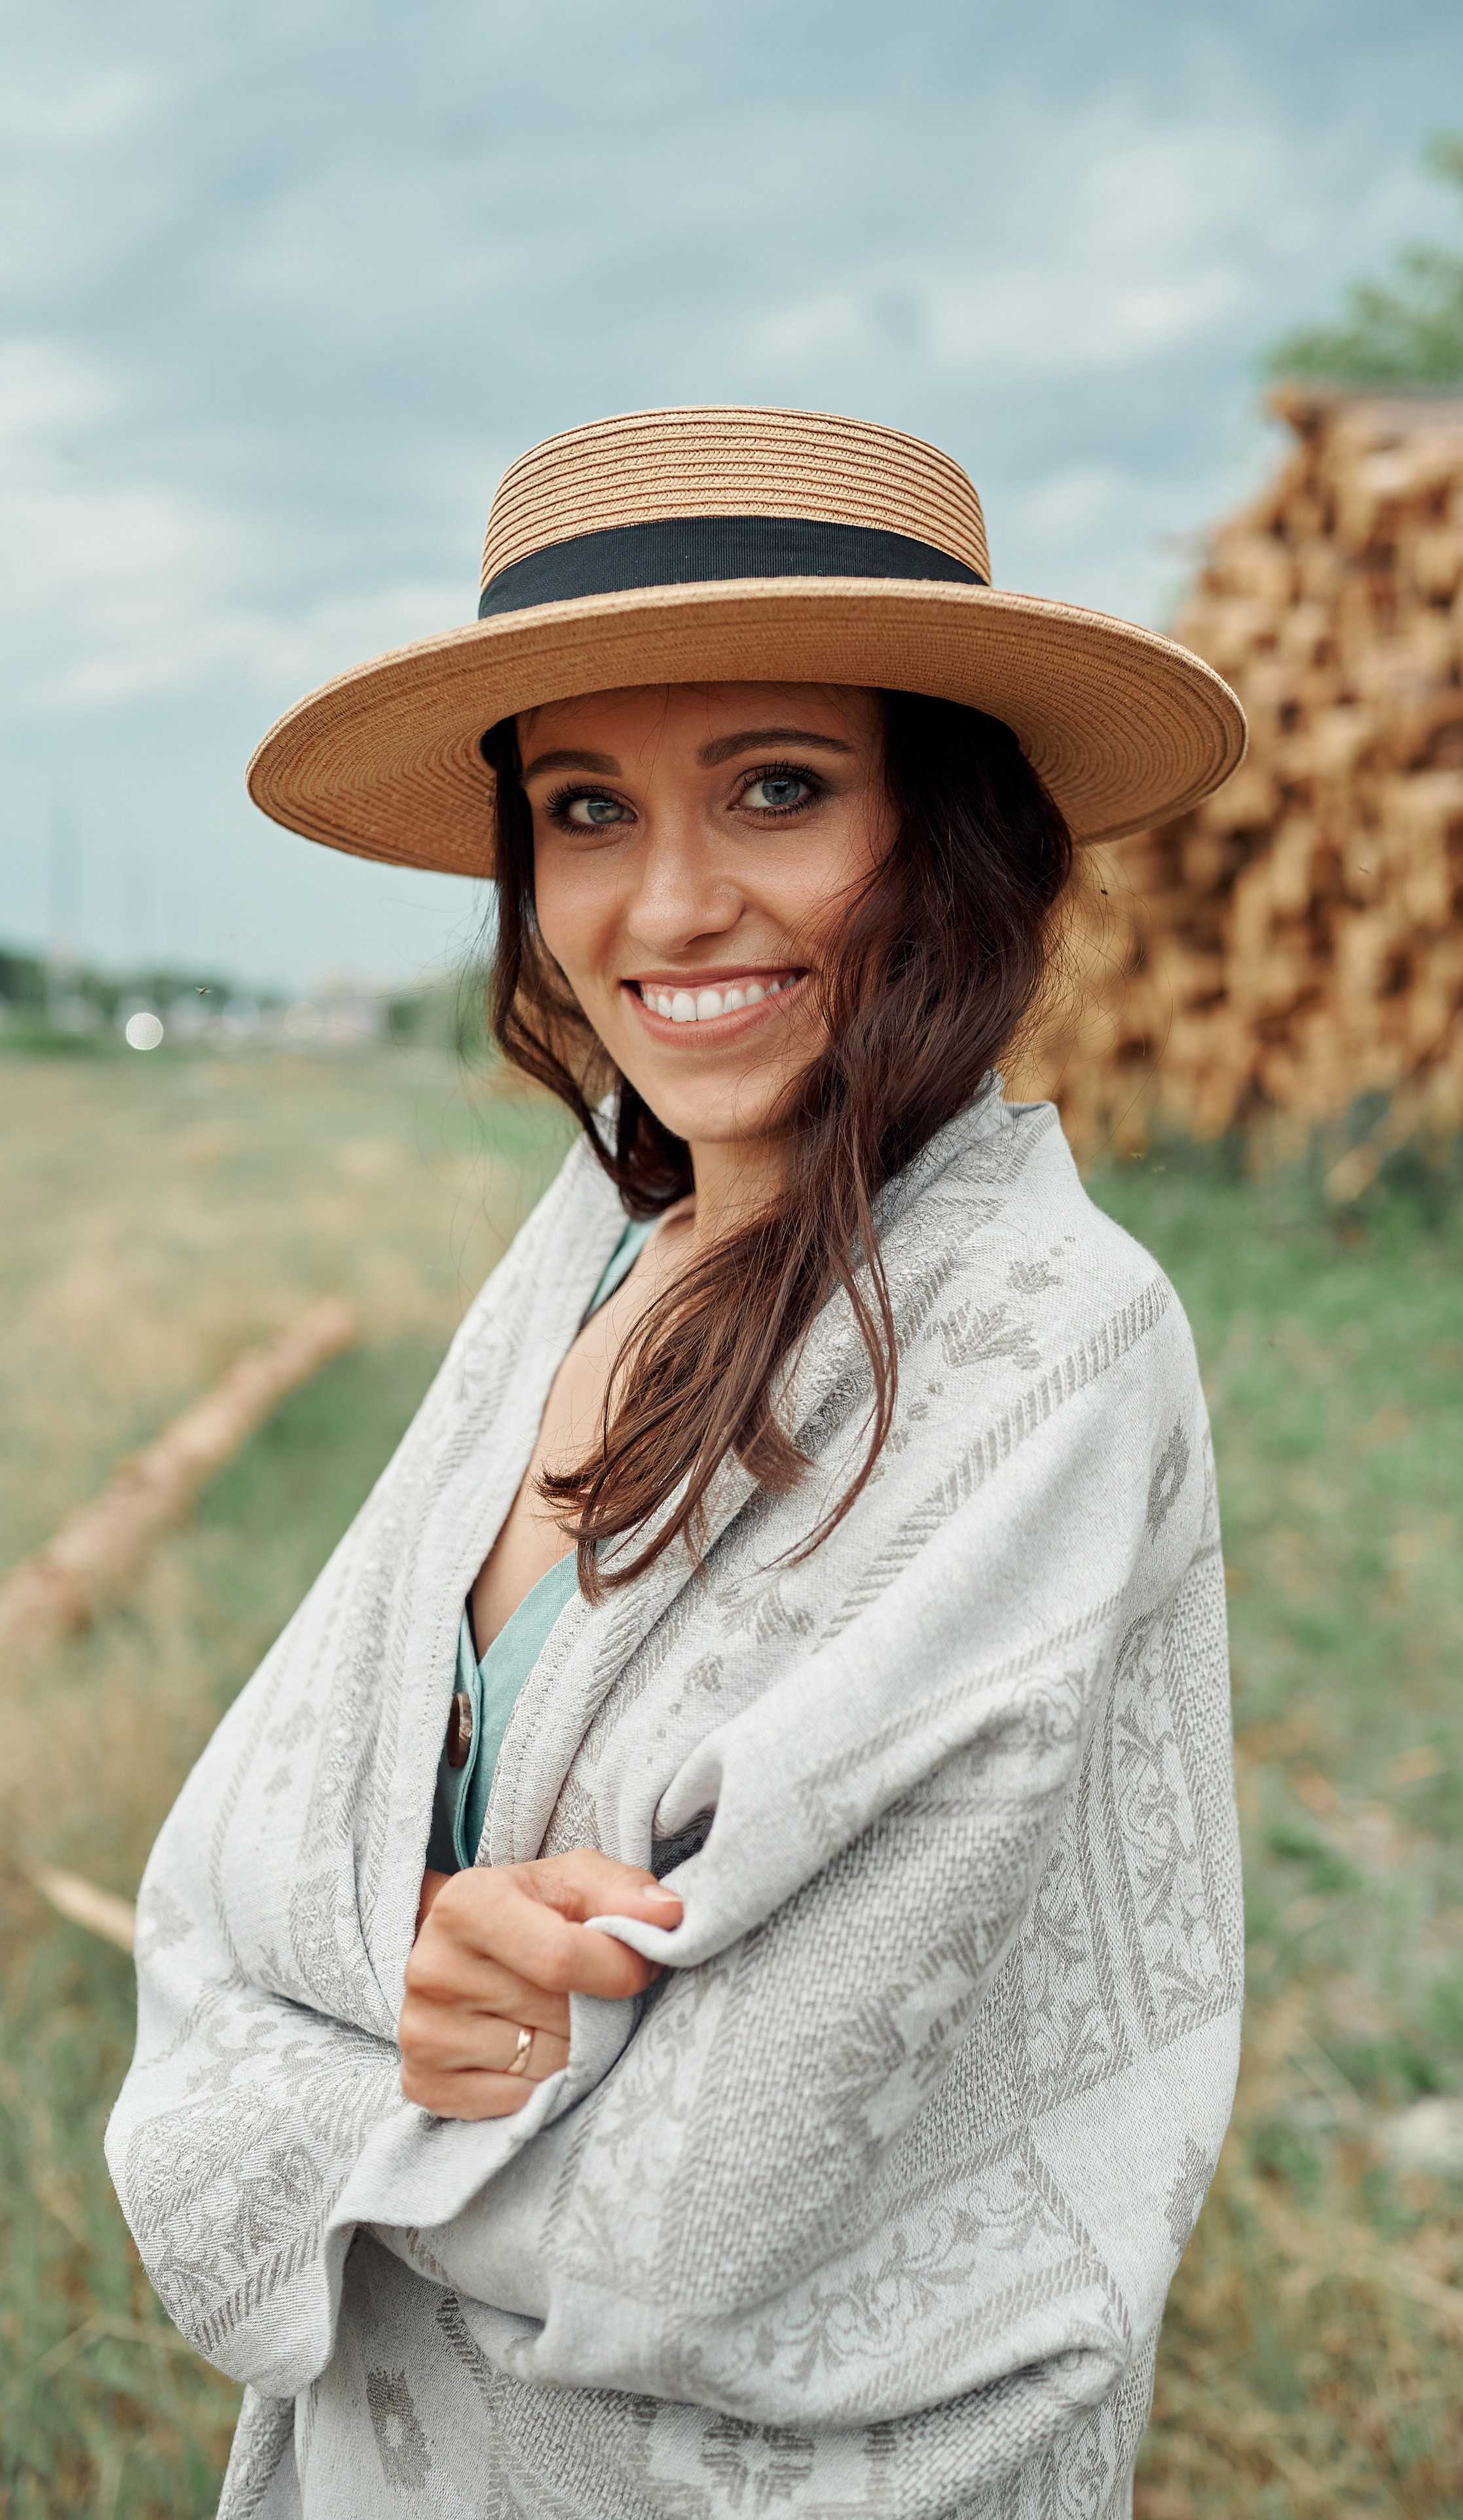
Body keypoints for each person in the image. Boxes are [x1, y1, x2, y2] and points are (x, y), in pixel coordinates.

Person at [110, 405, 1248, 2518]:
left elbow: (748, 2183)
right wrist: (434, 1983)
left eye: (781, 788)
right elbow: (226, 1883)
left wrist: (409, 2042)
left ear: (954, 826)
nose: (673, 901)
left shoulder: (1052, 1347)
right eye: (585, 807)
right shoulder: (590, 1256)